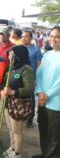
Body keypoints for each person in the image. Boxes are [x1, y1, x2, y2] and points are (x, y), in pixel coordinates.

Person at [0, 45, 34, 158]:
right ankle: (12, 147)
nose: (10, 56)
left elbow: (29, 89)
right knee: (10, 128)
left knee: (17, 130)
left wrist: (12, 92)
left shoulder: (26, 69)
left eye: (12, 54)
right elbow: (3, 84)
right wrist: (2, 91)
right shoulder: (10, 67)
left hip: (19, 105)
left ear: (19, 55)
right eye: (9, 54)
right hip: (7, 102)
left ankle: (17, 153)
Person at [33, 26, 60, 158]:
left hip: (55, 104)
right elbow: (39, 74)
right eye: (51, 36)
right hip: (43, 100)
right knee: (43, 129)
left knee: (54, 136)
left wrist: (47, 94)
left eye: (56, 36)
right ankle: (45, 153)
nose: (52, 39)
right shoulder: (48, 55)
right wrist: (39, 92)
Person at [21, 30, 42, 128]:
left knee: (31, 98)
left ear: (31, 38)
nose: (24, 38)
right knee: (21, 96)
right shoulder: (18, 48)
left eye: (26, 36)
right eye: (23, 36)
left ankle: (30, 117)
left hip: (31, 78)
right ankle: (22, 114)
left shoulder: (36, 50)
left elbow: (39, 64)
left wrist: (36, 78)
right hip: (20, 77)